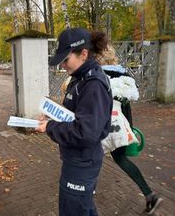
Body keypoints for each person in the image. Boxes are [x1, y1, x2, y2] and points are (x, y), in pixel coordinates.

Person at [35, 28, 113, 216]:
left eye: (65, 59)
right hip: (77, 158)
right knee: (83, 208)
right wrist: (52, 118)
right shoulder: (80, 78)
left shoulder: (93, 84)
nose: (62, 65)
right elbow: (76, 116)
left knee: (73, 209)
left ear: (84, 54)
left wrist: (50, 127)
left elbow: (85, 132)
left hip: (83, 161)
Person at [97, 45, 163, 215]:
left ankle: (85, 191)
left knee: (91, 156)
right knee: (121, 159)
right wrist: (130, 129)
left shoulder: (96, 76)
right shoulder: (125, 76)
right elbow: (127, 105)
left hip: (101, 124)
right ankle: (150, 195)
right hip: (121, 125)